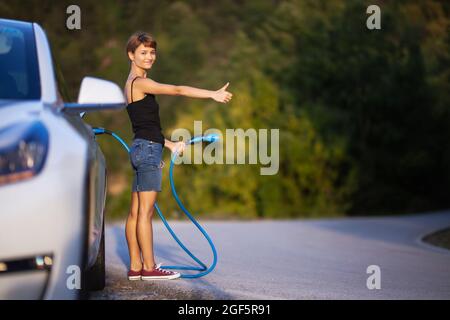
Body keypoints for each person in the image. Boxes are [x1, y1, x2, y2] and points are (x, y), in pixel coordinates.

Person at [124, 31, 232, 280]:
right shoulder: (140, 82)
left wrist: (170, 144)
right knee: (145, 213)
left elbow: (145, 127)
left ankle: (135, 266)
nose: (149, 56)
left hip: (142, 146)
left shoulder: (130, 82)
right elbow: (178, 90)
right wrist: (212, 94)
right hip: (148, 151)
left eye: (152, 52)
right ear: (131, 55)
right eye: (143, 52)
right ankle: (150, 268)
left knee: (135, 212)